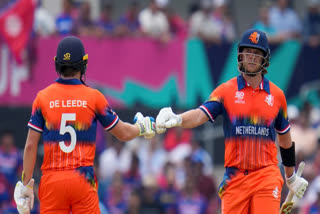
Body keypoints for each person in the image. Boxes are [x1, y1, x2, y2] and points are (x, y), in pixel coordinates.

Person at [156, 29, 309, 214]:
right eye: (248, 52)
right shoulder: (225, 91)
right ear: (241, 55)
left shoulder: (277, 96)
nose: (251, 57)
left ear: (264, 58)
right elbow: (199, 115)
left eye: (256, 53)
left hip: (266, 175)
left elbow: (285, 140)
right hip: (235, 178)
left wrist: (290, 177)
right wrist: (178, 119)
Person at [13, 36, 156, 214]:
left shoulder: (43, 98)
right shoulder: (94, 97)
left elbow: (29, 146)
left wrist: (26, 185)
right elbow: (123, 134)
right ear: (83, 64)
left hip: (53, 180)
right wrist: (142, 127)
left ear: (57, 64)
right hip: (83, 179)